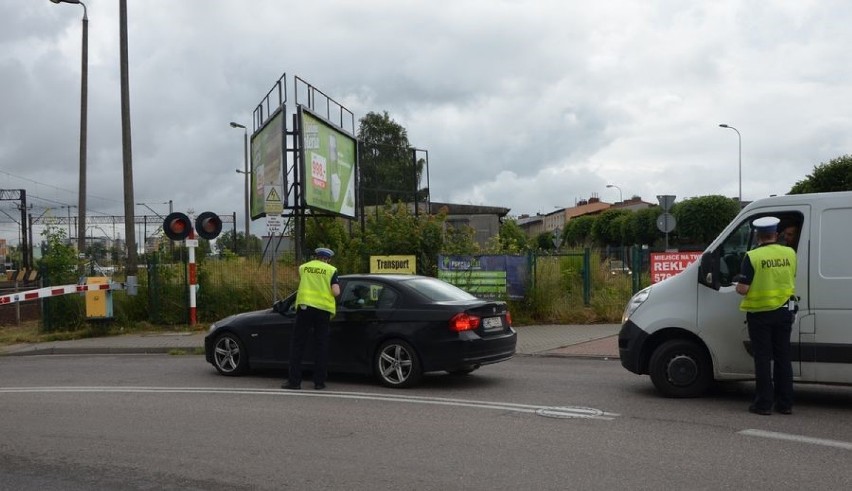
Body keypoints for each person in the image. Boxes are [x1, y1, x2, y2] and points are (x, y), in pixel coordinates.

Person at [735, 216, 797, 415]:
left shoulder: (752, 257)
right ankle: (785, 403)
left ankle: (763, 404)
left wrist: (738, 283)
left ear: (758, 236)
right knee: (783, 358)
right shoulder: (790, 253)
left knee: (762, 359)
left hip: (760, 314)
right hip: (785, 310)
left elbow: (743, 289)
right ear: (776, 234)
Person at [283, 247, 340, 390]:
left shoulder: (304, 268)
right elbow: (336, 291)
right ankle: (319, 382)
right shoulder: (331, 270)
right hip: (323, 311)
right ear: (328, 259)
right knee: (321, 345)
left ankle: (294, 382)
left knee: (298, 345)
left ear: (315, 257)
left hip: (305, 309)